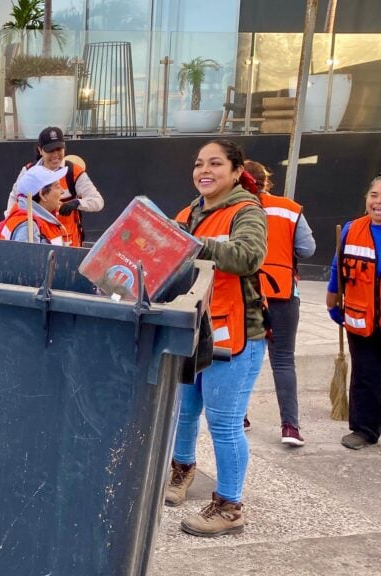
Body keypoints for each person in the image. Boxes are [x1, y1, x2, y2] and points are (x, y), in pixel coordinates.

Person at [163, 139, 267, 538]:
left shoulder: (247, 211)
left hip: (235, 334)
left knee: (224, 425)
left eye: (215, 163)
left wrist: (188, 243)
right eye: (198, 164)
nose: (204, 170)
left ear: (237, 170)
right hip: (192, 328)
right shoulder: (190, 212)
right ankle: (182, 470)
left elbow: (247, 257)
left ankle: (229, 505)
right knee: (184, 411)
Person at [244, 160, 316, 446]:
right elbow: (307, 250)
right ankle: (290, 427)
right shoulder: (289, 208)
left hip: (246, 294)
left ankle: (241, 416)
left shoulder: (233, 208)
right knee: (283, 360)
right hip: (283, 293)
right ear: (267, 181)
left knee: (244, 357)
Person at [326, 175, 381, 450]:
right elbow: (339, 269)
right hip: (361, 316)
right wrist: (332, 302)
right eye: (374, 195)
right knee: (365, 374)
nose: (378, 201)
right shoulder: (352, 229)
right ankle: (364, 429)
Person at [4, 126, 103, 246]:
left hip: (69, 242)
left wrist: (77, 203)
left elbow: (98, 201)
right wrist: (10, 220)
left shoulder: (73, 172)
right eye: (50, 150)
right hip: (37, 236)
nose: (55, 154)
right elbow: (15, 196)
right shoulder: (29, 171)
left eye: (59, 149)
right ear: (40, 150)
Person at [0, 165, 72, 245]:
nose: (62, 191)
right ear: (43, 195)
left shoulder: (29, 221)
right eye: (57, 187)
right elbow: (25, 257)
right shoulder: (28, 228)